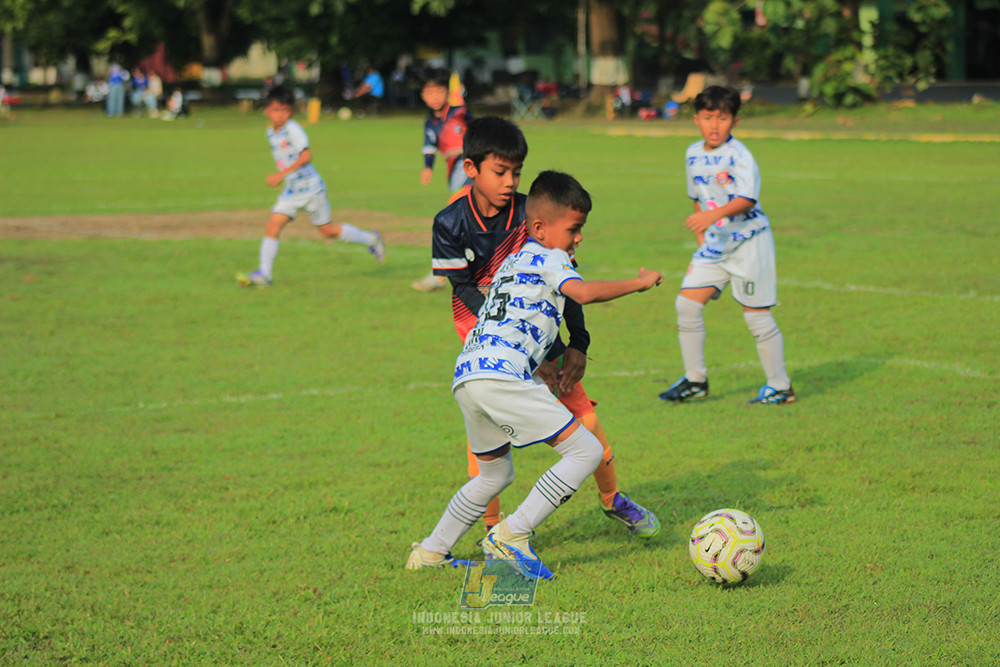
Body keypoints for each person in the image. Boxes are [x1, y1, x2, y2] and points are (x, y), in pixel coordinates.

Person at [407, 171, 663, 577]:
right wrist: (639, 282)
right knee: (586, 450)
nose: (579, 238)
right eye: (574, 229)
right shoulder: (551, 257)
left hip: (469, 373)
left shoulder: (513, 260)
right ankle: (512, 535)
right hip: (502, 376)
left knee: (495, 473)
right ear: (541, 227)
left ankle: (431, 551)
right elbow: (582, 294)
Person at [659, 85, 794, 405]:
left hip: (749, 242)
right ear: (696, 120)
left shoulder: (739, 155)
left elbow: (747, 199)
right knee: (687, 305)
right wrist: (702, 240)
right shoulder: (692, 153)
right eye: (708, 118)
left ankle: (781, 386)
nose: (715, 125)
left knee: (756, 316)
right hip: (715, 244)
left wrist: (712, 216)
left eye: (722, 118)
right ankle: (695, 380)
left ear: (734, 120)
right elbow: (697, 199)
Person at [236, 84, 385, 288]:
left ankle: (371, 239)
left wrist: (281, 175)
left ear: (291, 111)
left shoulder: (293, 129)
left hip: (311, 189)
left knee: (328, 232)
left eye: (285, 110)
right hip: (291, 191)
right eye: (276, 110)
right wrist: (286, 178)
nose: (281, 115)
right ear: (267, 110)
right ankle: (265, 274)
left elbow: (306, 155)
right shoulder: (271, 132)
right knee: (273, 225)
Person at [412, 68, 472, 293]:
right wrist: (427, 168)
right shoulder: (430, 124)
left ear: (447, 92)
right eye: (429, 92)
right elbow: (429, 148)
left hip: (472, 172)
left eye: (439, 91)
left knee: (447, 223)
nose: (434, 97)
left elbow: (481, 130)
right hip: (455, 176)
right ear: (423, 96)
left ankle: (439, 276)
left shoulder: (460, 112)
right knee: (468, 227)